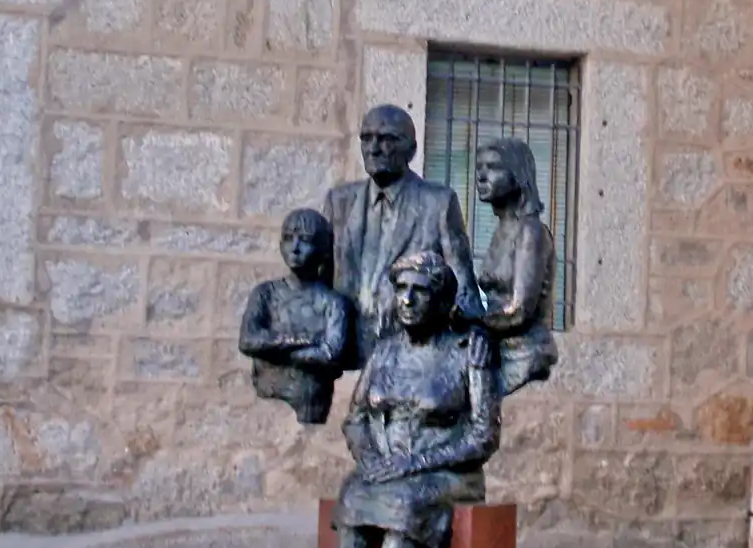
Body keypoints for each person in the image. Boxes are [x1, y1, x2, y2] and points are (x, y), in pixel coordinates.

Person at [308, 250, 500, 548]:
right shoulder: (386, 351)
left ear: (442, 301)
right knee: (355, 491)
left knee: (404, 500)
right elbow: (356, 418)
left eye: (420, 291)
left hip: (448, 473)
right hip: (388, 468)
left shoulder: (468, 353)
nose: (407, 300)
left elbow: (484, 434)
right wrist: (370, 460)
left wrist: (416, 463)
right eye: (401, 289)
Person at [324, 104, 480, 369]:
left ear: (412, 149)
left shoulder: (438, 204)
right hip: (344, 353)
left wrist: (474, 335)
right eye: (367, 138)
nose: (374, 148)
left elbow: (464, 288)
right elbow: (317, 280)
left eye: (387, 139)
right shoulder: (339, 202)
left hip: (409, 356)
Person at [236, 209, 350, 424]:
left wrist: (274, 350)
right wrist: (300, 342)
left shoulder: (333, 303)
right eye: (288, 238)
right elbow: (248, 340)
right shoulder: (266, 293)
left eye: (304, 240)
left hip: (308, 403)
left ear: (322, 249)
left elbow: (330, 353)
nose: (295, 248)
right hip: (266, 399)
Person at [471, 136, 558, 396]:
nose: (481, 176)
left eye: (493, 167)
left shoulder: (530, 232)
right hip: (497, 346)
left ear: (518, 175)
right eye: (479, 167)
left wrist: (470, 321)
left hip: (523, 352)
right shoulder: (502, 230)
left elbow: (519, 311)